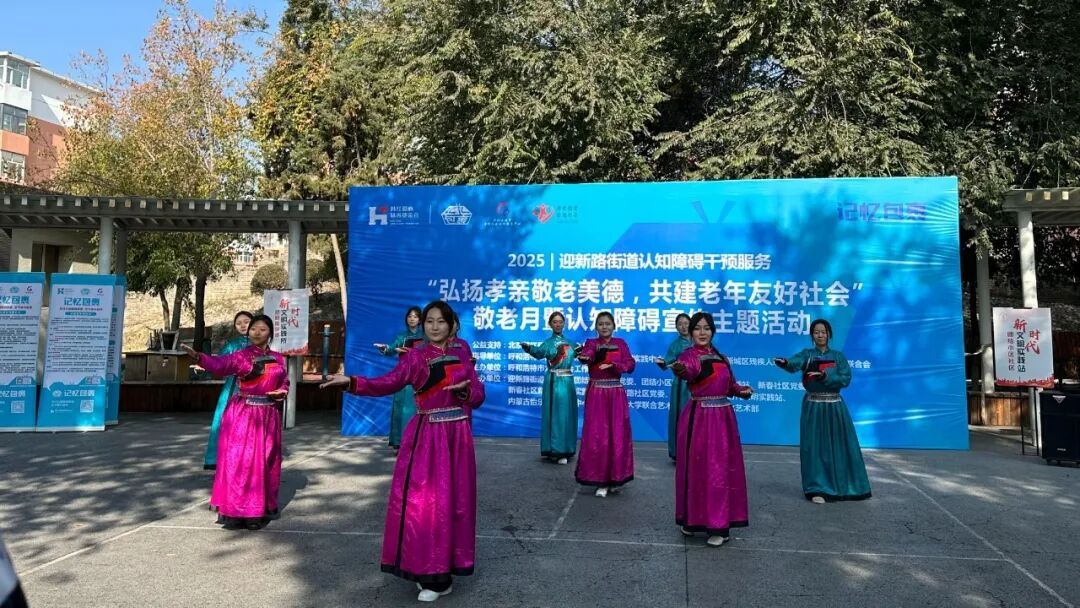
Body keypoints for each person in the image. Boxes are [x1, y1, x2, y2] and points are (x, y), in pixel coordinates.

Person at [321, 301, 485, 603]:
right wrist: (352, 382)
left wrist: (465, 391)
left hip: (458, 437)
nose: (434, 326)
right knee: (426, 504)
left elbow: (477, 394)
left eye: (440, 321)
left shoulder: (463, 351)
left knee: (456, 503)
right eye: (429, 321)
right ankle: (431, 571)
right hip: (428, 436)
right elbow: (389, 382)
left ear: (452, 324)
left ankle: (448, 568)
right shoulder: (416, 355)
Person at [181, 315, 288, 530]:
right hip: (244, 415)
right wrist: (199, 357)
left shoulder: (278, 358)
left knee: (264, 463)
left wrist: (282, 391)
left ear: (270, 333)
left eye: (262, 329)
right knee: (241, 463)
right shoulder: (241, 356)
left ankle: (258, 510)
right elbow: (220, 364)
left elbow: (284, 382)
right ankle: (237, 512)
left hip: (268, 416)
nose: (256, 333)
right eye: (253, 329)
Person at [670, 312, 753, 547]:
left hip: (723, 419)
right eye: (697, 328)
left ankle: (719, 525)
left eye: (707, 328)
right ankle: (694, 519)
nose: (702, 332)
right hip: (698, 418)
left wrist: (742, 391)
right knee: (696, 469)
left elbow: (731, 386)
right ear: (691, 332)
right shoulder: (688, 356)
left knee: (719, 470)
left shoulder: (721, 357)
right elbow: (688, 370)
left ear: (713, 331)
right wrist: (680, 369)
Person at [774, 319, 872, 504]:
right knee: (815, 447)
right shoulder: (808, 354)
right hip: (813, 406)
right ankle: (817, 487)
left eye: (823, 332)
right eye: (816, 332)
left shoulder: (838, 356)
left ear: (829, 334)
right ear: (812, 335)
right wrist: (785, 362)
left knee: (840, 445)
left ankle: (845, 486)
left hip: (835, 406)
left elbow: (845, 378)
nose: (820, 335)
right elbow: (795, 363)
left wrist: (824, 375)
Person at [575, 311, 635, 498]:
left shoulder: (621, 343)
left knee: (617, 435)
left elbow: (630, 364)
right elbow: (587, 355)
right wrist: (584, 357)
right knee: (597, 435)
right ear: (596, 327)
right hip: (597, 394)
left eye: (608, 323)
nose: (604, 327)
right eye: (600, 324)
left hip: (616, 394)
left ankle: (616, 478)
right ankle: (600, 479)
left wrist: (615, 365)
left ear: (614, 325)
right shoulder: (592, 343)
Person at [521, 311, 580, 465]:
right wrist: (528, 348)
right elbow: (539, 353)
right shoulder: (548, 343)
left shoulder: (571, 343)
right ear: (550, 324)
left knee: (565, 415)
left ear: (564, 323)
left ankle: (564, 449)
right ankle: (552, 449)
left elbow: (583, 355)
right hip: (553, 380)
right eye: (555, 322)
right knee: (553, 414)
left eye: (560, 321)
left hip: (567, 381)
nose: (558, 324)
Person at [201, 310, 253, 470]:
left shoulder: (261, 344)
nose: (243, 325)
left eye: (246, 322)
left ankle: (249, 459)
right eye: (239, 323)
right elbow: (219, 362)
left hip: (255, 388)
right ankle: (221, 458)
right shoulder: (232, 345)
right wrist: (204, 363)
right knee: (225, 422)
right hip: (233, 388)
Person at [375, 306, 424, 451]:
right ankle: (399, 442)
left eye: (415, 316)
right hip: (403, 375)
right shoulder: (402, 336)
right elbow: (391, 349)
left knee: (418, 409)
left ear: (420, 320)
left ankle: (418, 443)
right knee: (400, 407)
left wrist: (412, 352)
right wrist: (385, 348)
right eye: (409, 316)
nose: (412, 319)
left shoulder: (425, 336)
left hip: (420, 376)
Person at [654, 313, 692, 461]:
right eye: (680, 324)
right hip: (682, 387)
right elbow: (667, 363)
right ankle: (680, 452)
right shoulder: (675, 345)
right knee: (682, 417)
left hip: (698, 383)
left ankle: (697, 451)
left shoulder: (698, 341)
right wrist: (662, 363)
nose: (684, 326)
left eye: (686, 323)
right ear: (676, 327)